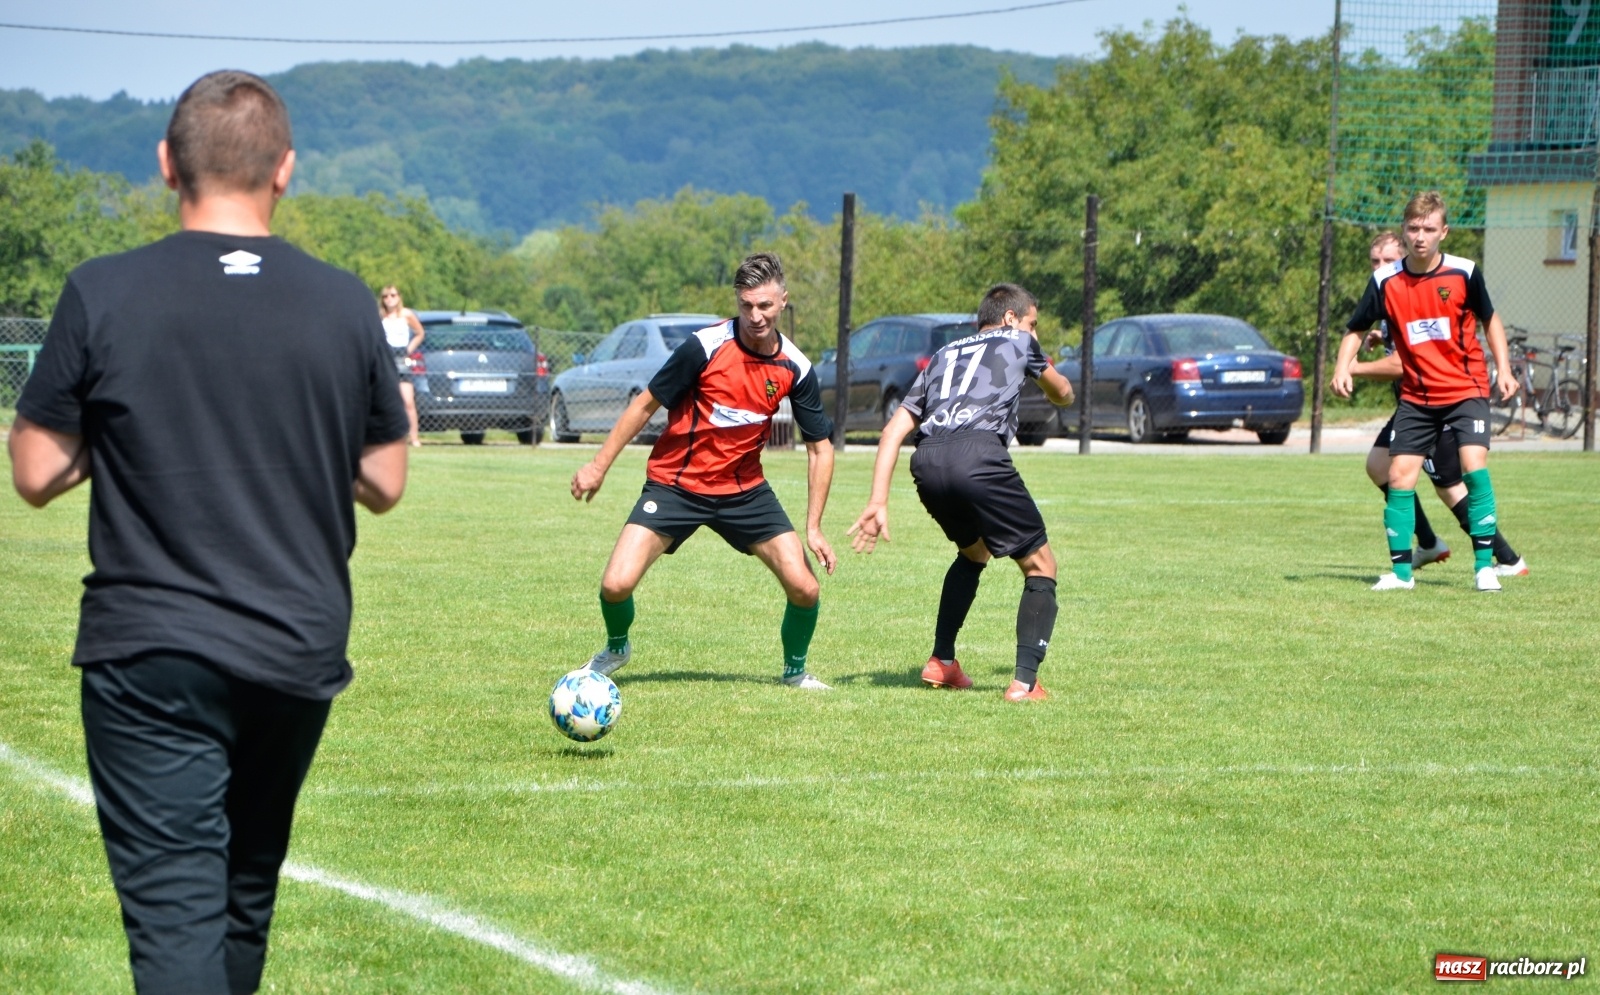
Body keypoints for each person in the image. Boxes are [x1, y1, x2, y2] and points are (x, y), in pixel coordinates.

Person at [8, 70, 409, 993]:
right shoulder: (343, 301)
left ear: (166, 165)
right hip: (296, 642)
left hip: (153, 648)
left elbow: (34, 470)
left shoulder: (104, 290)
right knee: (242, 895)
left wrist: (111, 438)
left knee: (175, 912)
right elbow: (384, 479)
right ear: (285, 171)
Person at [570, 251, 838, 689]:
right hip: (676, 485)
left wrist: (814, 527)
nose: (755, 315)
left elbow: (820, 450)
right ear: (737, 301)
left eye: (765, 305)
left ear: (783, 301)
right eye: (747, 305)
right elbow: (644, 404)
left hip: (744, 492)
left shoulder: (796, 367)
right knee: (615, 585)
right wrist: (597, 466)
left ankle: (795, 674)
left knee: (805, 588)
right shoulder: (704, 346)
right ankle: (617, 647)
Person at [846, 283, 1075, 701]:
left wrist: (878, 500)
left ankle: (942, 661)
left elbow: (893, 430)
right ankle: (1025, 683)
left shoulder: (942, 355)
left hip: (928, 460)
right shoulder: (1020, 341)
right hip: (978, 455)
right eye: (1032, 323)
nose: (1033, 332)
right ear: (1010, 319)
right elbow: (1062, 392)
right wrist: (1048, 370)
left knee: (975, 551)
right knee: (1041, 565)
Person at [1331, 190, 1517, 592]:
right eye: (1414, 228)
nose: (1420, 236)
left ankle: (1485, 568)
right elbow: (1355, 328)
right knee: (1398, 477)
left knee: (1472, 469)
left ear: (1443, 232)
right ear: (1405, 230)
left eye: (1429, 229)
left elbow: (1491, 320)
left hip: (1465, 389)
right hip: (1417, 397)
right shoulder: (1385, 280)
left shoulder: (1464, 272)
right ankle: (1401, 575)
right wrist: (1341, 366)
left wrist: (1503, 368)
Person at [380, 284, 426, 446]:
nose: (389, 299)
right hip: (386, 356)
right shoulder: (381, 316)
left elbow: (420, 333)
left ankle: (414, 437)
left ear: (399, 297)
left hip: (401, 356)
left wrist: (409, 349)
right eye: (386, 296)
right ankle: (389, 436)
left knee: (408, 400)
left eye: (392, 295)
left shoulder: (406, 314)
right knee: (385, 399)